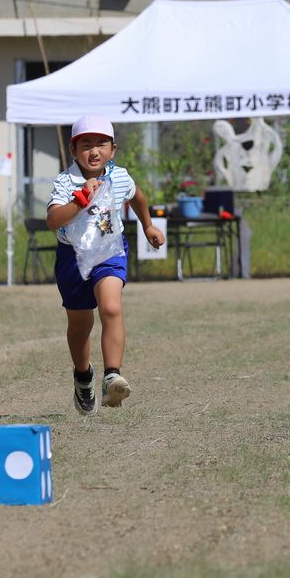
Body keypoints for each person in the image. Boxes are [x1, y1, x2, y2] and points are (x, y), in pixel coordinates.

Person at [46, 115, 165, 414]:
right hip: (72, 257)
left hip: (109, 251)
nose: (94, 151)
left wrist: (147, 225)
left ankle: (113, 374)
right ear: (74, 151)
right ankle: (83, 375)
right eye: (86, 145)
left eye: (102, 144)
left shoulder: (120, 176)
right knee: (80, 323)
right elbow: (53, 220)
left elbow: (137, 196)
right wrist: (80, 199)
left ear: (113, 149)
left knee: (111, 306)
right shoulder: (65, 181)